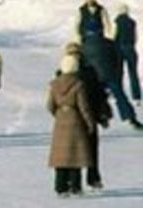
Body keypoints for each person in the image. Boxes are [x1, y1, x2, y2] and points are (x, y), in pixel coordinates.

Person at [74, 0, 143, 128]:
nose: (89, 0)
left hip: (94, 65)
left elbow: (107, 26)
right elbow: (78, 26)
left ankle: (92, 118)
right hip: (106, 67)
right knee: (117, 91)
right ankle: (130, 117)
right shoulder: (82, 12)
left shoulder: (100, 11)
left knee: (91, 92)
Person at [64, 42, 112, 191]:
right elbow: (99, 95)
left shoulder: (62, 74)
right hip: (90, 115)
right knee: (91, 149)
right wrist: (103, 115)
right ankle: (93, 178)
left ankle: (74, 182)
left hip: (71, 118)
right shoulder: (90, 72)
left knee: (73, 150)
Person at [48, 55, 96, 198]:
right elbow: (83, 106)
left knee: (60, 157)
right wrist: (89, 122)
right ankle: (75, 186)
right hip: (75, 120)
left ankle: (60, 187)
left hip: (60, 120)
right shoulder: (78, 84)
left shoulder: (54, 84)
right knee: (76, 155)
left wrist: (58, 115)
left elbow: (50, 105)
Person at [113, 3, 140, 105]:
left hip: (119, 48)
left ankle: (119, 95)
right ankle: (136, 97)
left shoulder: (117, 21)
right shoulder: (133, 22)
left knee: (119, 73)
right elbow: (135, 37)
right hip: (130, 49)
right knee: (133, 73)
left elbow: (113, 35)